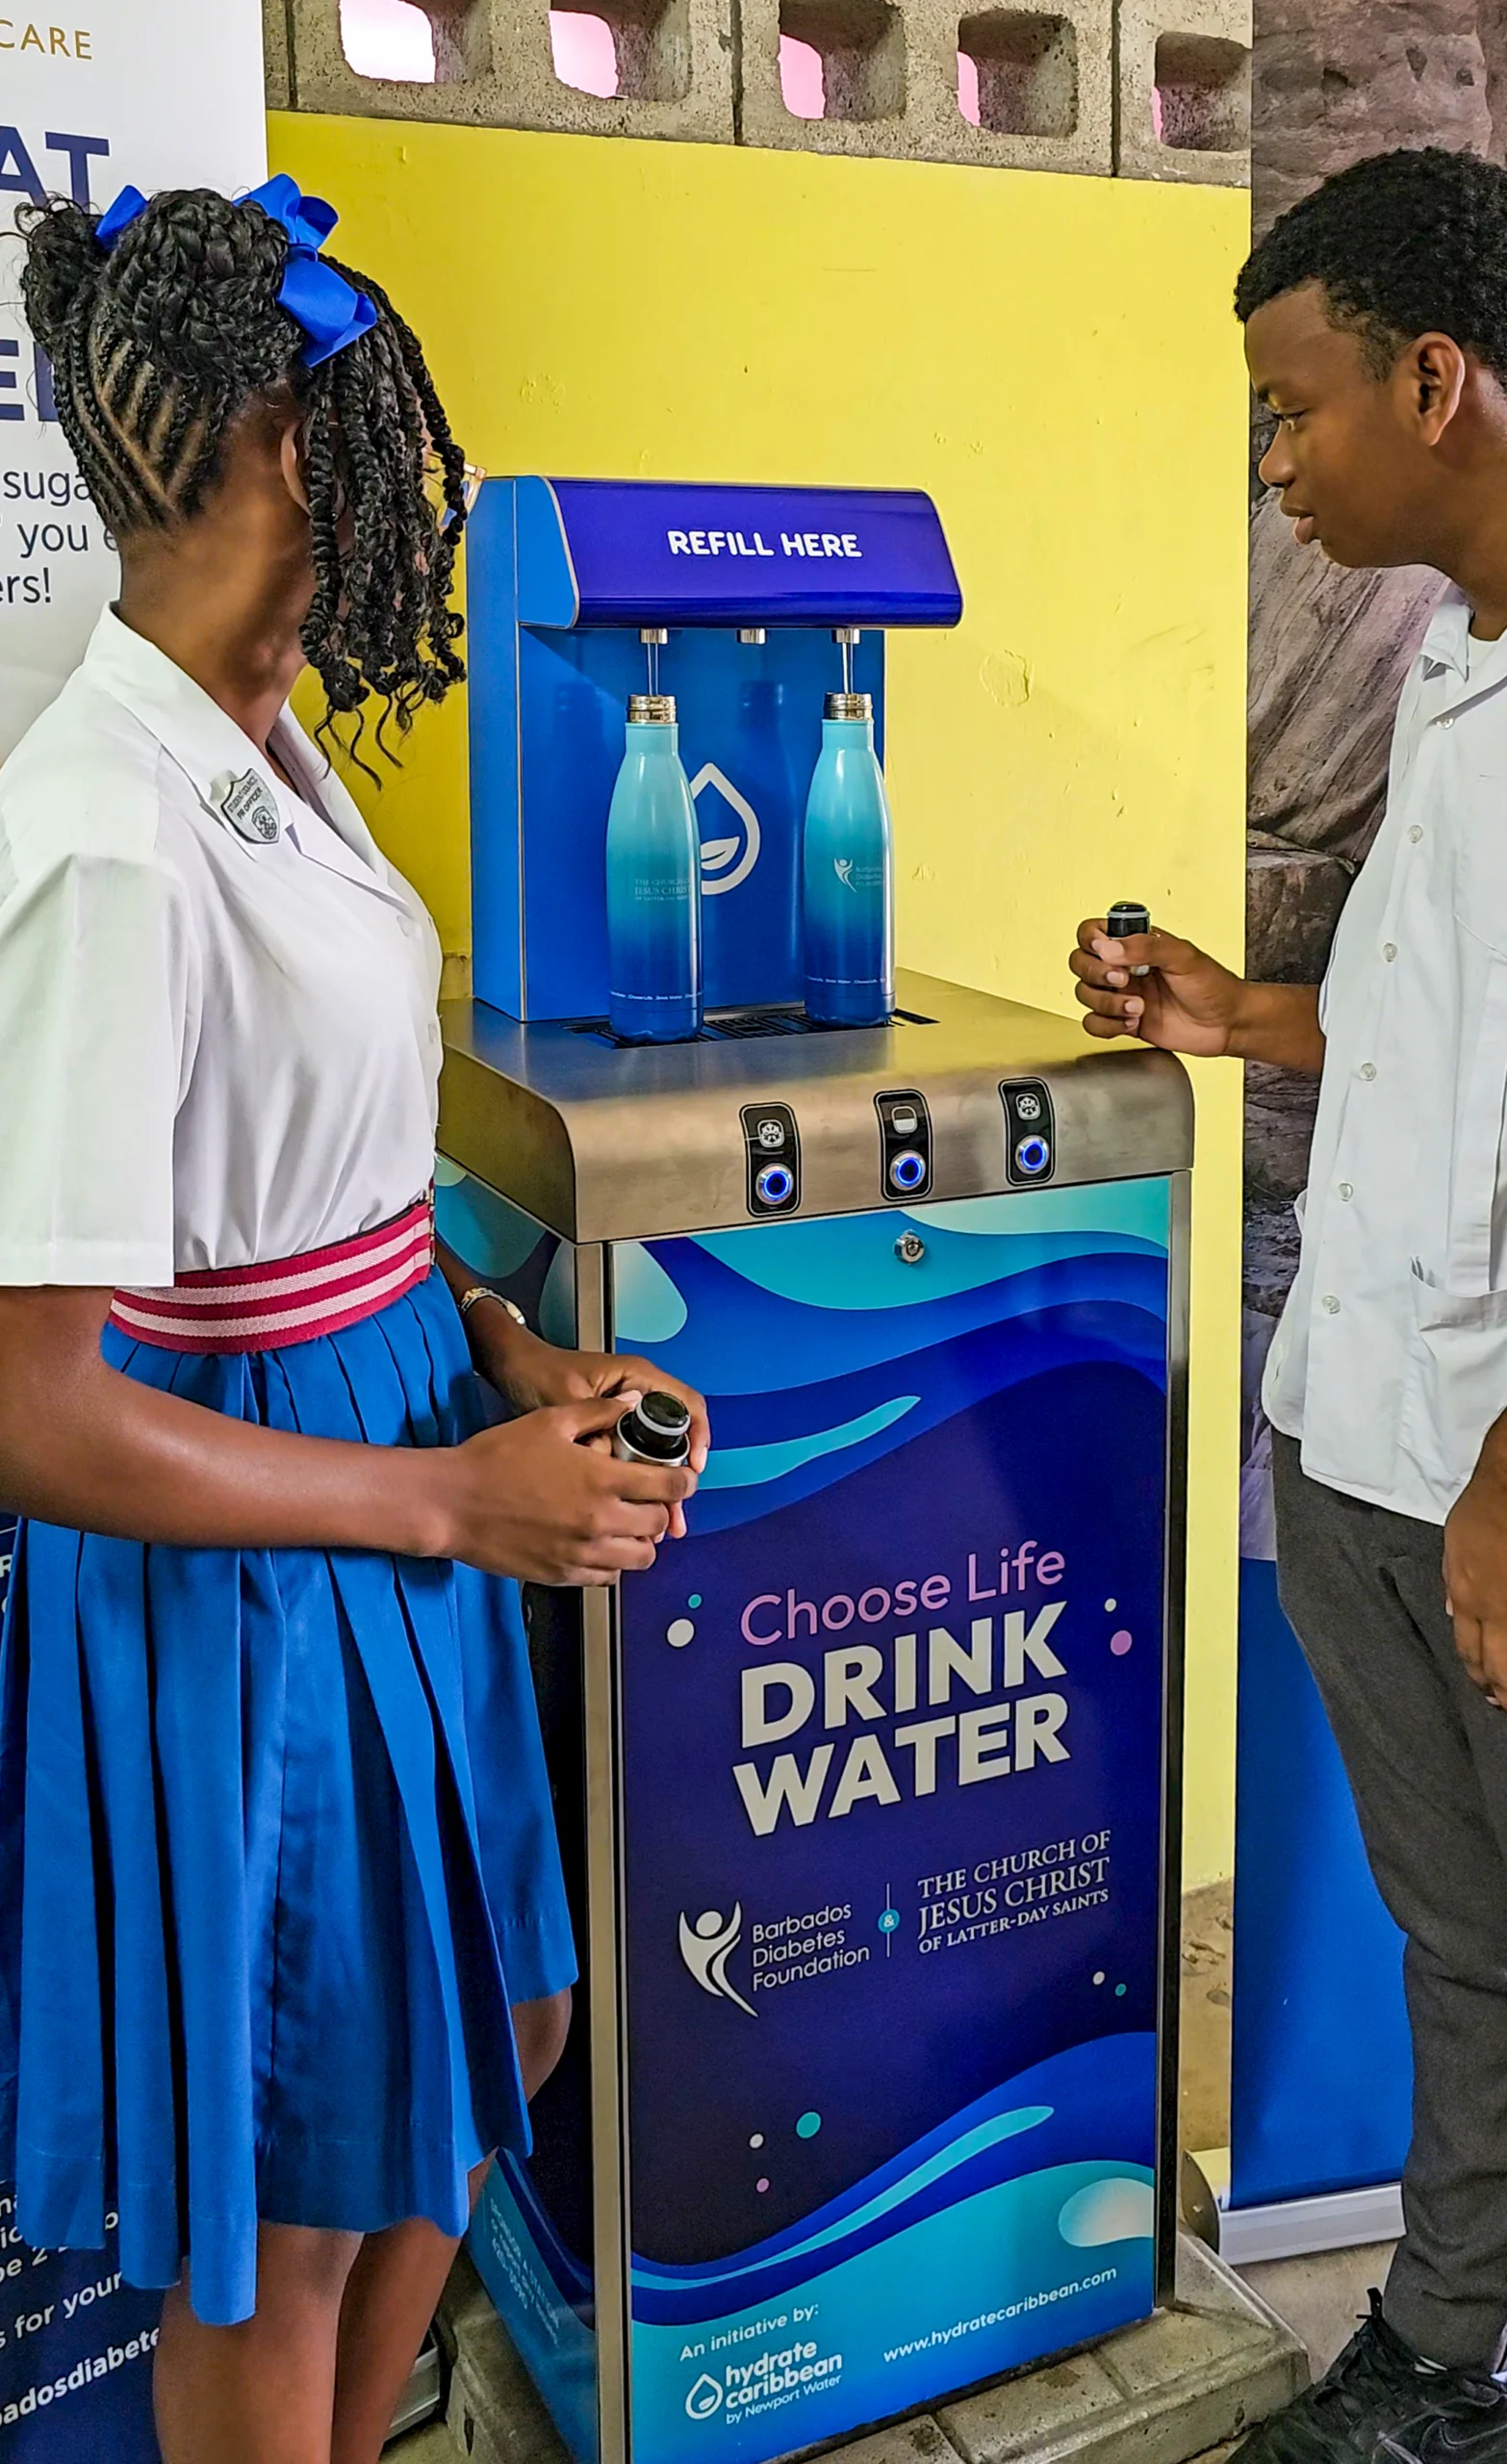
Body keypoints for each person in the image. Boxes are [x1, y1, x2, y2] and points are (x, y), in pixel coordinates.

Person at [0, 178, 707, 2464]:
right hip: (257, 1553)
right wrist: (444, 1491)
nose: (416, 485)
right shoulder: (102, 832)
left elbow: (333, 1183)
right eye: (376, 430)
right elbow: (31, 1406)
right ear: (269, 446)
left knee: (506, 2013)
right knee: (288, 2199)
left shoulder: (274, 752)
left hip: (405, 1445)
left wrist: (512, 1365)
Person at [1071, 146, 1507, 2464]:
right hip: (1363, 1438)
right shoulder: (1461, 657)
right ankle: (1452, 2351)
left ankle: (1454, 2359)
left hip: (1484, 1479)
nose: (1272, 467)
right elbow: (1436, 1023)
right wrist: (1241, 1011)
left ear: (1435, 379)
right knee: (1468, 1943)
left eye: (1291, 410)